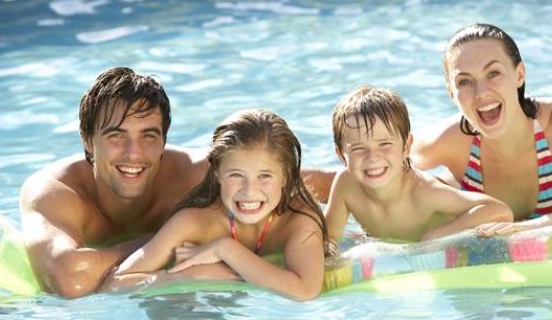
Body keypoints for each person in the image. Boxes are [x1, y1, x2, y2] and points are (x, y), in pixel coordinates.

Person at [19, 67, 334, 298]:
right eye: (116, 136)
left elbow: (303, 181)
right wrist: (170, 245)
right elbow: (71, 279)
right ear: (88, 140)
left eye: (148, 136)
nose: (134, 154)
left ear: (165, 140)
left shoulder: (201, 174)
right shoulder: (55, 192)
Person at [101, 109, 330, 300]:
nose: (249, 191)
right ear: (217, 173)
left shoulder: (298, 221)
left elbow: (305, 290)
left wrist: (226, 249)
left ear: (286, 176)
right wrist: (186, 277)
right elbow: (114, 284)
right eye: (236, 175)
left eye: (265, 176)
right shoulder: (195, 223)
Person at [411, 23, 552, 236]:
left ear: (520, 74)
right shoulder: (449, 141)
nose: (481, 92)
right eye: (464, 81)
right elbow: (379, 166)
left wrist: (526, 229)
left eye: (493, 73)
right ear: (451, 92)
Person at [324, 86, 512, 244]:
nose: (373, 157)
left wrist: (435, 237)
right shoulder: (346, 185)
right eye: (358, 148)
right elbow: (329, 241)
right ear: (341, 154)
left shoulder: (424, 193)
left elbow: (499, 211)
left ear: (406, 147)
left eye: (385, 144)